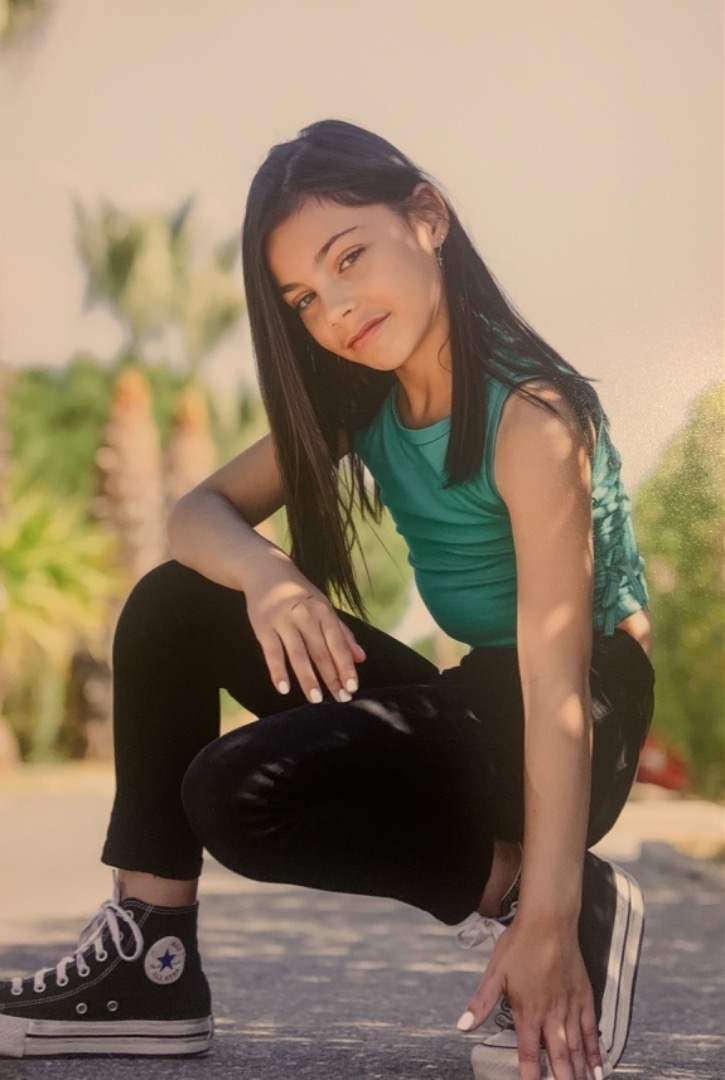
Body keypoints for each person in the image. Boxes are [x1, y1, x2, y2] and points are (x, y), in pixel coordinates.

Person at [0, 120, 654, 1080]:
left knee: (238, 792)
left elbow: (556, 686)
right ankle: (150, 962)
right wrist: (268, 575)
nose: (337, 308)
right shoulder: (362, 399)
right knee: (175, 605)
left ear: (426, 216)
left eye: (350, 258)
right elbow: (196, 513)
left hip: (578, 713)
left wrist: (547, 923)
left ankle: (551, 902)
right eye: (304, 297)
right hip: (480, 696)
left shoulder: (531, 416)